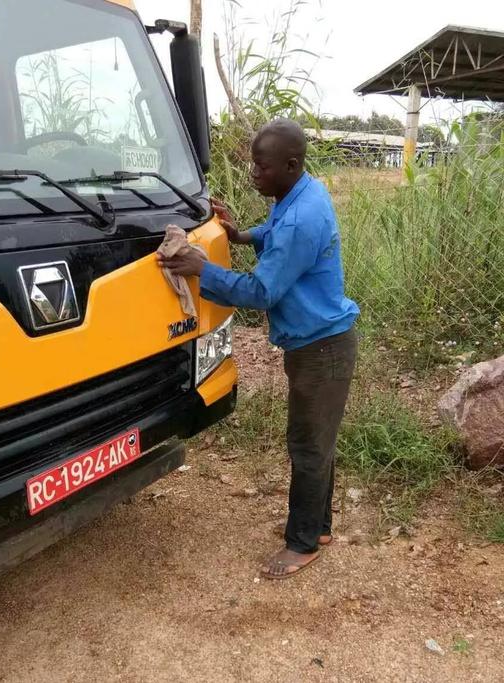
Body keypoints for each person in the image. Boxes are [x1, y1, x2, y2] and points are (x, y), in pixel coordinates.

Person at [157, 119, 359, 579]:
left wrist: (199, 268)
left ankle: (303, 543)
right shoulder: (301, 195)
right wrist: (240, 235)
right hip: (320, 344)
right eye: (253, 164)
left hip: (321, 351)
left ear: (290, 165)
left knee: (308, 445)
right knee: (317, 442)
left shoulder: (302, 218)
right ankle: (318, 527)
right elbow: (275, 229)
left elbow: (260, 292)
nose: (253, 173)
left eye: (261, 166)